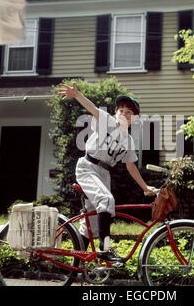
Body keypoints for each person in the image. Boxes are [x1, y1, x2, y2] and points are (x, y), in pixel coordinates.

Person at [57, 82, 157, 262]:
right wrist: (77, 94)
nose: (124, 114)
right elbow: (93, 108)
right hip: (88, 167)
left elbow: (131, 166)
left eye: (129, 112)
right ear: (115, 113)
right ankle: (105, 249)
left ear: (135, 118)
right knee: (106, 199)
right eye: (121, 111)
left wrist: (145, 187)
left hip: (104, 174)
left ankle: (75, 269)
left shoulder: (129, 141)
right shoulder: (108, 122)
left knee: (91, 226)